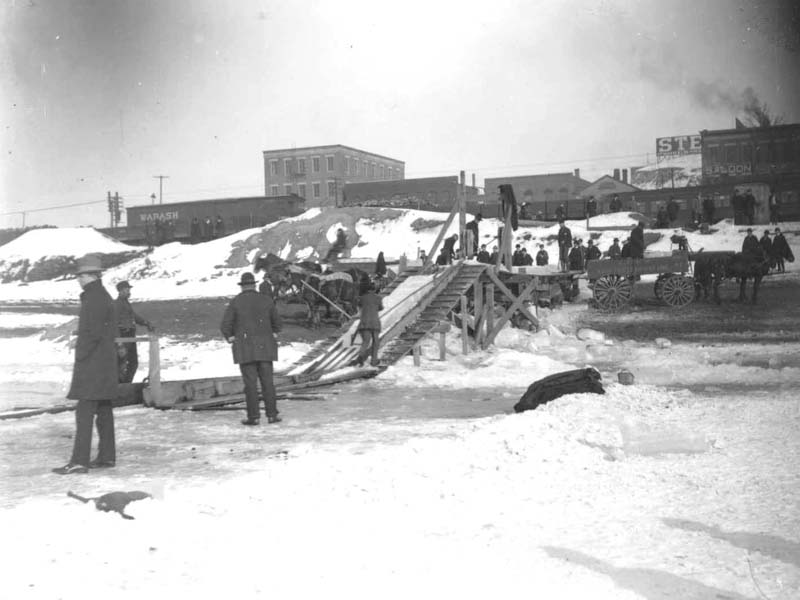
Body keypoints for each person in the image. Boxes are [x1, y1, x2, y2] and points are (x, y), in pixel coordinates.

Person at [53, 256, 119, 474]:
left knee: (84, 412)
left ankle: (80, 461)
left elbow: (92, 332)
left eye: (80, 276)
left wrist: (80, 354)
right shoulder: (102, 295)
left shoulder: (94, 297)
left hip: (93, 364)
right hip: (104, 363)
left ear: (91, 275)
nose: (78, 280)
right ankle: (107, 457)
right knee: (103, 410)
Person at [220, 272, 282, 426]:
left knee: (250, 385)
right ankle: (272, 415)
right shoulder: (267, 300)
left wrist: (231, 337)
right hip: (265, 348)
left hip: (245, 348)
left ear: (242, 286)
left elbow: (225, 325)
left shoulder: (235, 302)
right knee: (268, 383)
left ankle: (253, 417)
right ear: (254, 285)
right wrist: (273, 333)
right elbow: (278, 324)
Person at [114, 281, 154, 384]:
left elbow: (134, 316)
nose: (129, 292)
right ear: (121, 291)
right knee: (123, 364)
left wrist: (146, 323)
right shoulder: (117, 305)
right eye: (127, 290)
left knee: (132, 363)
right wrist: (120, 344)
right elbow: (114, 324)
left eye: (129, 290)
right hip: (124, 337)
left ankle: (125, 385)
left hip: (130, 337)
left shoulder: (126, 303)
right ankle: (121, 387)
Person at [354, 282, 383, 367]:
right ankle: (374, 361)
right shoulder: (378, 298)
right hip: (374, 323)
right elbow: (380, 308)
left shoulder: (362, 298)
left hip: (364, 323)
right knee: (375, 342)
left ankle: (360, 357)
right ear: (374, 289)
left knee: (365, 341)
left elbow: (359, 306)